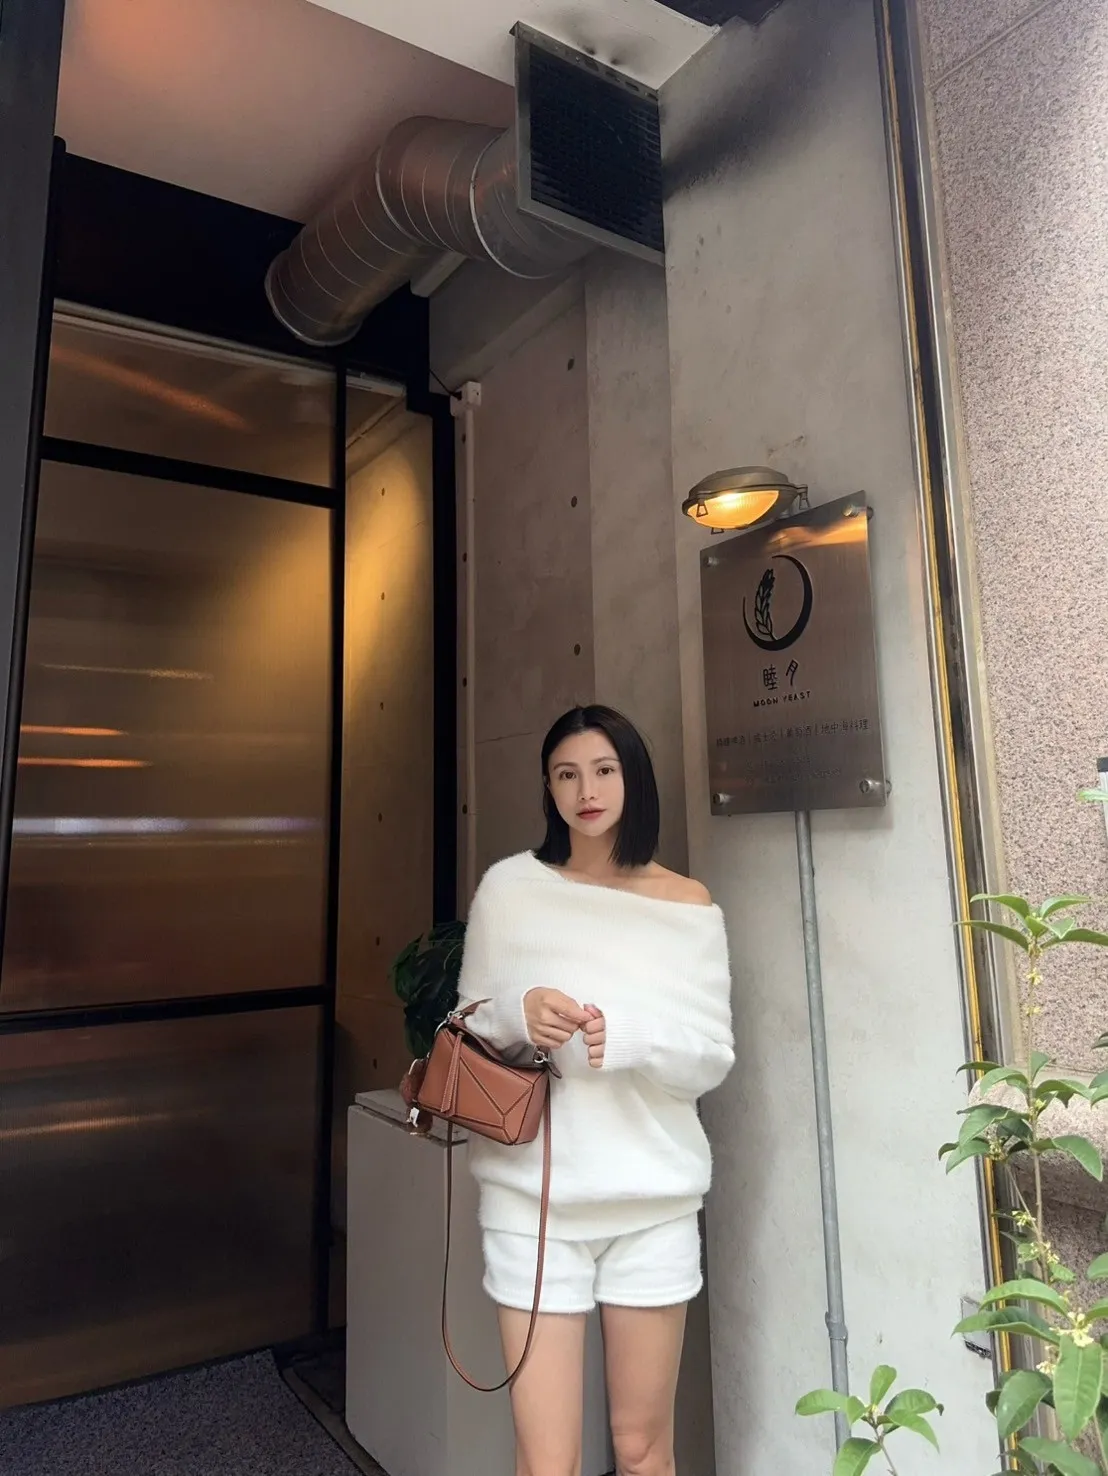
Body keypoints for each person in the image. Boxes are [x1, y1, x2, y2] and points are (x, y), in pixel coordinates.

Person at [457, 704, 734, 1476]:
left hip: (653, 1203)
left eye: (604, 770)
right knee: (548, 1461)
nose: (587, 791)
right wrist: (519, 1012)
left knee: (643, 1450)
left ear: (632, 779)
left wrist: (637, 1040)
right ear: (548, 788)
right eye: (567, 774)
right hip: (532, 1205)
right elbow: (466, 1024)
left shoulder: (687, 905)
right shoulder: (509, 890)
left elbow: (712, 1058)